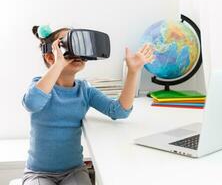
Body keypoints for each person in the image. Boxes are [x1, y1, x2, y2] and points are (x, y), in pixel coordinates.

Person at [22, 26, 154, 185]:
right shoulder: (40, 85)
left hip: (73, 171)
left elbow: (119, 111)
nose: (76, 52)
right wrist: (58, 64)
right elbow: (32, 103)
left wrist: (133, 72)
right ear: (51, 57)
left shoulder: (85, 90)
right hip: (39, 173)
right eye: (68, 46)